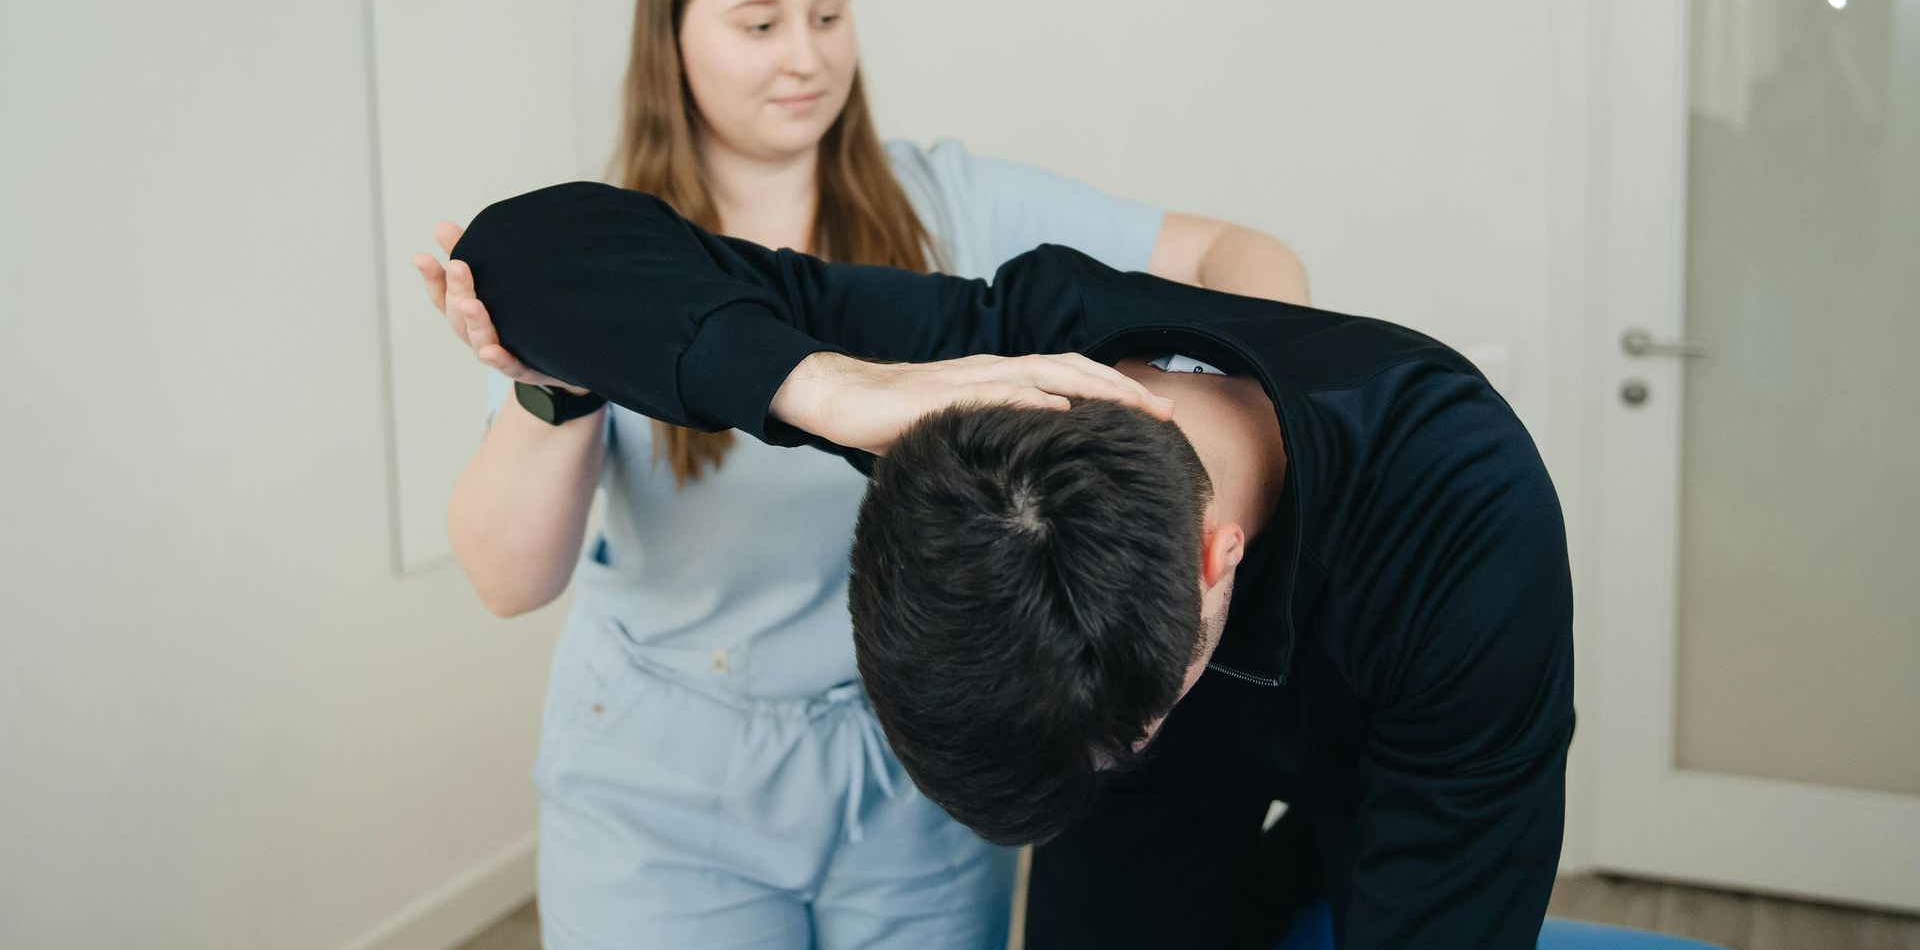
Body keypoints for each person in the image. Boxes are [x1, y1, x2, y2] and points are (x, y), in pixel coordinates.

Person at [410, 0, 1310, 948]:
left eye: (829, 14)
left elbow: (1237, 252)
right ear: (671, 37)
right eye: (759, 22)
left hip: (909, 783)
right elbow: (510, 578)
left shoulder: (950, 206)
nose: (806, 55)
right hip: (665, 779)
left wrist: (1224, 433)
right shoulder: (616, 269)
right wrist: (559, 390)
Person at [447, 180, 1577, 950]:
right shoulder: (982, 392)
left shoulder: (1465, 508)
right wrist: (835, 388)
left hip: (1391, 748)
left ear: (1213, 557)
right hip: (1132, 742)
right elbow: (519, 252)